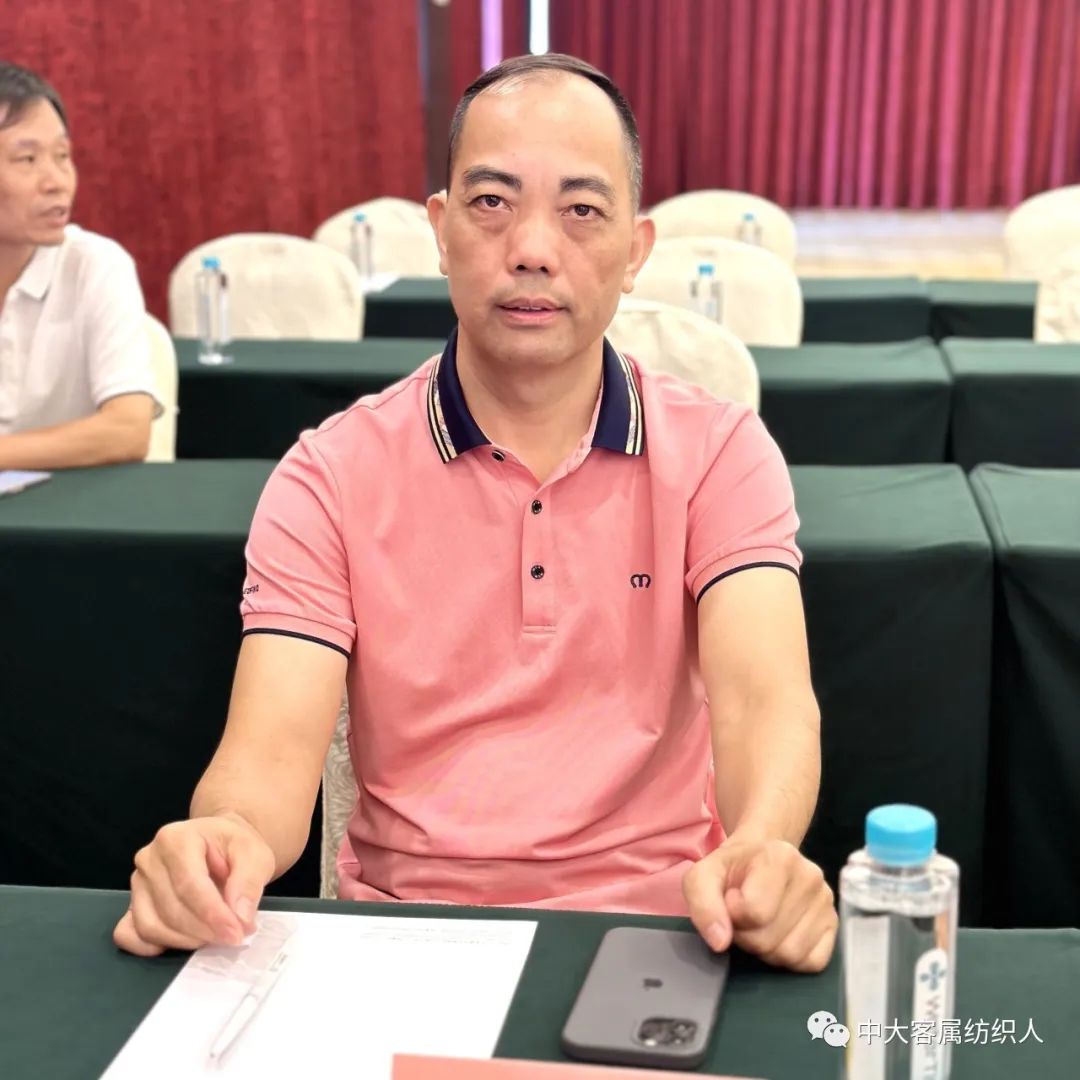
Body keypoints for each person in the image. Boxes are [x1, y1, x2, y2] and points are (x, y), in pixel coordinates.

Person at [115, 54, 837, 972]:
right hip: (406, 938)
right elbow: (266, 758)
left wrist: (763, 845)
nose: (533, 247)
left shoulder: (721, 452)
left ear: (635, 251)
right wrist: (223, 838)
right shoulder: (328, 475)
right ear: (440, 228)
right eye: (492, 202)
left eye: (582, 210)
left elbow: (765, 701)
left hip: (662, 932)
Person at [0, 62, 158, 469]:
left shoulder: (96, 265)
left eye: (62, 156)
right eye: (27, 159)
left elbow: (128, 429)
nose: (56, 181)